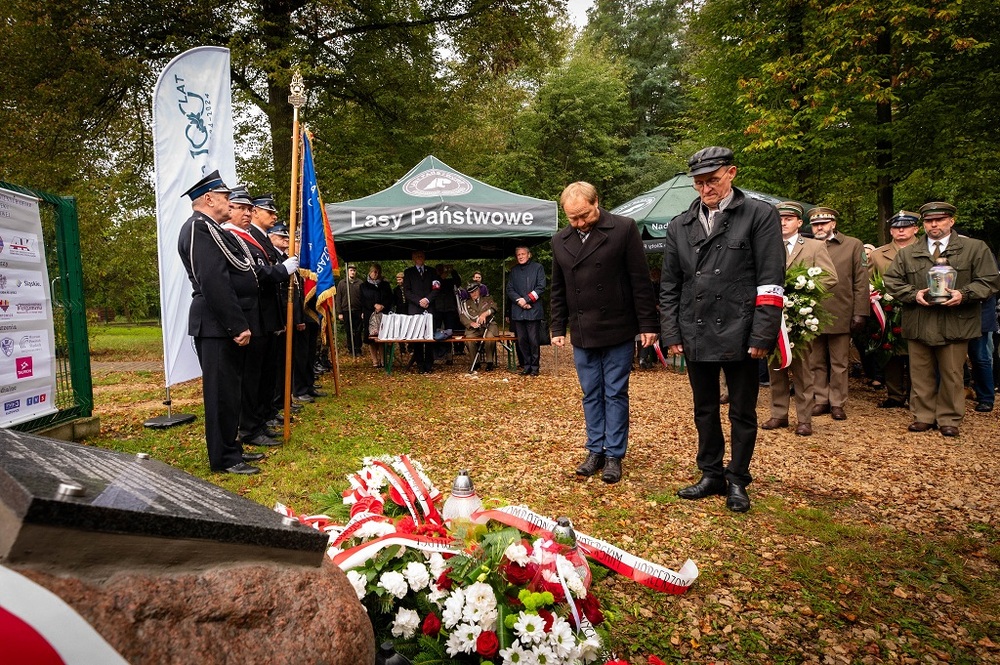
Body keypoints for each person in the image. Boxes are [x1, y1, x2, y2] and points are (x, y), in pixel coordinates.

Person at [660, 146, 784, 512]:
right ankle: (711, 473)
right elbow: (670, 284)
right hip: (695, 328)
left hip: (741, 330)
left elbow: (771, 279)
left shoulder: (759, 214)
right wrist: (672, 332)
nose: (705, 189)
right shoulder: (680, 224)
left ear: (731, 173)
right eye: (698, 183)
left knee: (742, 411)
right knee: (704, 408)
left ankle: (738, 478)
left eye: (712, 180)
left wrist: (763, 333)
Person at [550, 181, 658, 485]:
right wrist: (557, 326)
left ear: (597, 202)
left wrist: (648, 324)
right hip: (583, 330)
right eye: (573, 218)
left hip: (617, 327)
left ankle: (614, 454)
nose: (579, 223)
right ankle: (595, 450)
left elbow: (640, 280)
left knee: (615, 392)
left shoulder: (624, 228)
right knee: (591, 393)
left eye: (584, 215)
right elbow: (558, 288)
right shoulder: (559, 240)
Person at [883, 201, 1000, 436]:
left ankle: (949, 418)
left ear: (951, 221)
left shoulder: (974, 248)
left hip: (956, 321)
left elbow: (989, 280)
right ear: (923, 224)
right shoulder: (909, 252)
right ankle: (923, 416)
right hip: (919, 321)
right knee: (920, 373)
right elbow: (892, 280)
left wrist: (964, 294)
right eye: (929, 221)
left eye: (940, 220)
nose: (934, 224)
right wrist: (913, 294)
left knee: (952, 374)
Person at [177, 171, 260, 474]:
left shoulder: (211, 228)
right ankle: (224, 458)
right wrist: (236, 324)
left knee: (231, 392)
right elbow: (213, 281)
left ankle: (232, 448)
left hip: (220, 324)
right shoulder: (199, 228)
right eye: (226, 197)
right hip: (215, 325)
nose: (230, 202)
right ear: (209, 199)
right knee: (220, 394)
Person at [223, 186, 297, 445]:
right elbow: (254, 272)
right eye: (241, 208)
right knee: (252, 377)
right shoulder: (231, 236)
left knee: (264, 374)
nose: (246, 213)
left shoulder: (250, 236)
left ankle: (261, 420)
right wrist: (281, 271)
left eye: (249, 208)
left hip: (264, 315)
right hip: (252, 314)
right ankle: (250, 428)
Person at [761, 202, 838, 436]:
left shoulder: (814, 246)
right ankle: (779, 413)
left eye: (789, 219)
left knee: (803, 369)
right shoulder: (766, 244)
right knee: (775, 365)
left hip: (800, 316)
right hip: (772, 314)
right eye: (780, 219)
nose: (783, 223)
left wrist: (803, 290)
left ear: (799, 222)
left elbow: (830, 277)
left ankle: (804, 419)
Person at [806, 206, 869, 420]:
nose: (819, 228)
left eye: (823, 223)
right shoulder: (807, 245)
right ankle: (820, 399)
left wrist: (860, 312)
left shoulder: (852, 245)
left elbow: (861, 281)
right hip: (812, 311)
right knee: (815, 360)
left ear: (833, 224)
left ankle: (837, 402)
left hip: (842, 311)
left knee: (839, 362)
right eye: (815, 224)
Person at [868, 210, 921, 408]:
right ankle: (895, 394)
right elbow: (868, 281)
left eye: (906, 227)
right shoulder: (877, 254)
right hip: (887, 310)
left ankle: (917, 396)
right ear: (890, 231)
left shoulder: (927, 250)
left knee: (918, 355)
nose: (901, 231)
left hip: (918, 308)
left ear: (916, 229)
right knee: (890, 352)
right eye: (896, 228)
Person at [507, 246, 546, 376]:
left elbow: (541, 287)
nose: (521, 256)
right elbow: (509, 289)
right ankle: (526, 365)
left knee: (533, 340)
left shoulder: (538, 268)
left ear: (529, 255)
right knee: (522, 340)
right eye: (518, 254)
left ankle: (535, 367)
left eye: (523, 254)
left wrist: (527, 299)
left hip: (533, 311)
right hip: (518, 311)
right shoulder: (513, 271)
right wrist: (520, 302)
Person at [403, 250, 440, 373]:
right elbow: (407, 291)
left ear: (424, 258)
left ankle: (429, 365)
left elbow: (436, 288)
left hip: (430, 308)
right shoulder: (408, 272)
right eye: (417, 256)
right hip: (415, 308)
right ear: (413, 258)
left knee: (429, 337)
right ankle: (420, 365)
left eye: (421, 256)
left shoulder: (432, 271)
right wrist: (419, 301)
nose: (419, 258)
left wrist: (427, 299)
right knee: (417, 337)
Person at [459, 281, 499, 371]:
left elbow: (494, 307)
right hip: (474, 328)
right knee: (469, 339)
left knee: (489, 338)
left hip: (488, 325)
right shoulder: (466, 303)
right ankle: (475, 362)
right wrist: (470, 323)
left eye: (475, 291)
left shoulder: (487, 299)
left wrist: (485, 314)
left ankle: (489, 362)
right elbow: (462, 316)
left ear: (479, 290)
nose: (474, 294)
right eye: (471, 292)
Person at [360, 263, 393, 368]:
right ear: (370, 272)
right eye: (374, 272)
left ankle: (383, 360)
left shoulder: (385, 285)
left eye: (378, 272)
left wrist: (383, 306)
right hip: (369, 314)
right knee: (371, 338)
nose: (376, 274)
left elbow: (390, 298)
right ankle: (375, 360)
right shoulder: (363, 286)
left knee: (382, 337)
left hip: (383, 313)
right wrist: (374, 305)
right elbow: (363, 300)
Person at [335, 264, 364, 357]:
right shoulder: (342, 283)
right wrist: (340, 312)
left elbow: (363, 298)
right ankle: (351, 349)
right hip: (346, 310)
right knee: (349, 331)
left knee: (358, 330)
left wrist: (363, 311)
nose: (352, 272)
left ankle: (358, 349)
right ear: (347, 272)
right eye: (351, 270)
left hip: (358, 310)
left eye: (354, 270)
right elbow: (338, 298)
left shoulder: (360, 283)